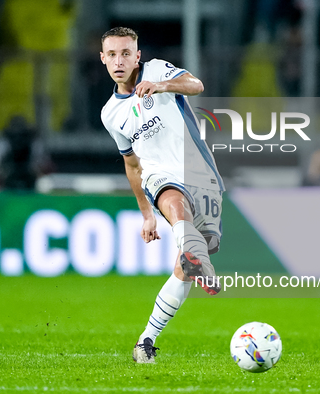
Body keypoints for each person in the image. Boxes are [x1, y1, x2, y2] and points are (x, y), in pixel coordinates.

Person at [99, 27, 225, 364]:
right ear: (103, 59)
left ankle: (145, 340)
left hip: (200, 171)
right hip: (160, 175)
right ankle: (193, 248)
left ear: (137, 56)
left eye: (126, 53)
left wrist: (163, 85)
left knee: (190, 261)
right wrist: (146, 214)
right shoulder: (111, 114)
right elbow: (132, 165)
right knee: (173, 200)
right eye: (112, 54)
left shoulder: (156, 70)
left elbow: (196, 85)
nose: (119, 61)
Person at [0, 115, 54, 190]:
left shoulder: (34, 143)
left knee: (45, 183)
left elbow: (43, 163)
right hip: (7, 177)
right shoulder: (4, 143)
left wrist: (37, 172)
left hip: (31, 178)